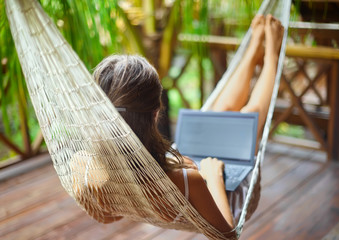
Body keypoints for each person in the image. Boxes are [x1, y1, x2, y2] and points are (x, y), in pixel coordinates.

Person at [91, 14, 284, 235]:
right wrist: (213, 176)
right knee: (249, 115)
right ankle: (271, 56)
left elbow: (105, 216)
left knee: (219, 113)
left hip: (167, 163)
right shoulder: (184, 179)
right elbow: (228, 235)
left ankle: (253, 52)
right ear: (156, 113)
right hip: (224, 197)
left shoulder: (97, 168)